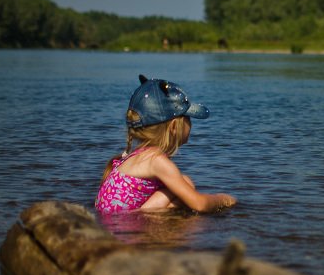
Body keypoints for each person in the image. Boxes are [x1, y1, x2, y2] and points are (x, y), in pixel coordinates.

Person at [95, 75, 237, 214]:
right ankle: (151, 218)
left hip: (110, 222)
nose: (190, 123)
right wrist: (224, 199)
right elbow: (200, 205)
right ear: (174, 126)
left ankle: (159, 218)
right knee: (187, 186)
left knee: (183, 183)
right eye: (188, 118)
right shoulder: (156, 160)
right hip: (125, 223)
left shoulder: (134, 157)